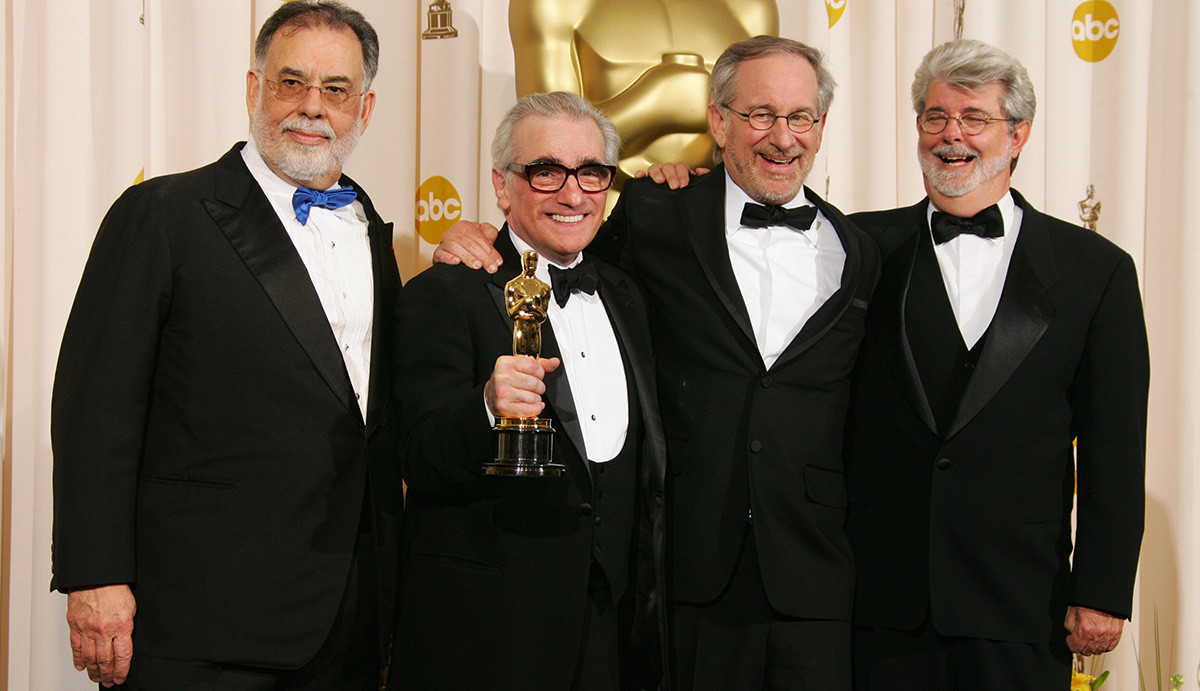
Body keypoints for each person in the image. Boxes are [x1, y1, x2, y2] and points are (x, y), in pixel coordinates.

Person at [435, 36, 880, 689]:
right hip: (685, 568)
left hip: (814, 576)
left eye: (800, 117)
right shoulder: (654, 210)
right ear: (719, 121)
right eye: (760, 114)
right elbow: (567, 262)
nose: (782, 137)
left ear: (821, 126)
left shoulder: (860, 248)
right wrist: (479, 238)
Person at [50, 2, 401, 687]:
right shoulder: (162, 216)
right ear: (252, 89)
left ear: (366, 106)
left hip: (348, 621)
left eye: (335, 89)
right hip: (198, 623)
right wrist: (95, 577)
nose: (311, 107)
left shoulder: (372, 229)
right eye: (289, 82)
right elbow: (97, 410)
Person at [844, 39, 1148, 689]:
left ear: (1019, 134)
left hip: (1020, 602)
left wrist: (1102, 587)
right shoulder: (856, 246)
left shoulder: (1096, 271)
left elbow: (1114, 448)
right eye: (934, 116)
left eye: (973, 117)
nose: (951, 135)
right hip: (881, 602)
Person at [390, 91, 667, 689]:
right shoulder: (443, 293)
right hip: (485, 640)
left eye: (592, 172)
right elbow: (417, 454)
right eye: (546, 172)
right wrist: (487, 408)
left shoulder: (627, 296)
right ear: (501, 184)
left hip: (608, 637)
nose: (573, 194)